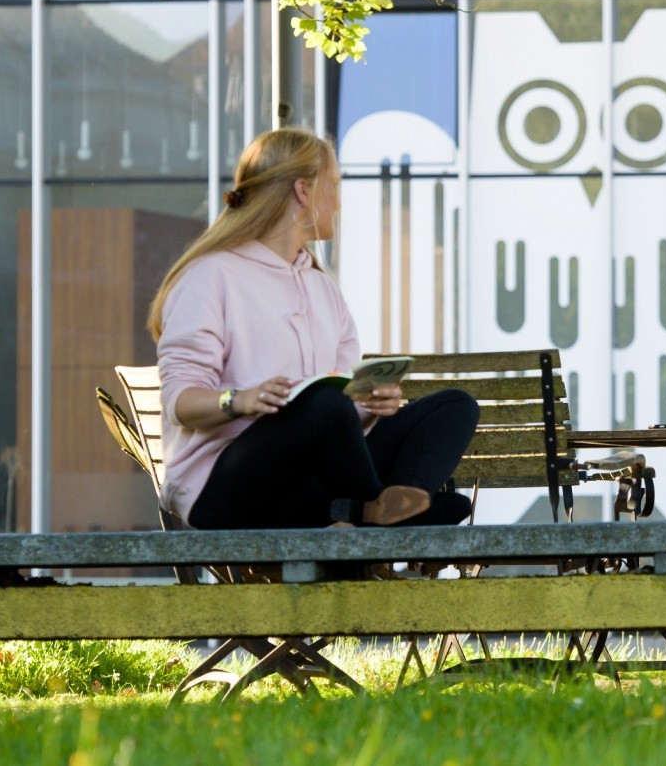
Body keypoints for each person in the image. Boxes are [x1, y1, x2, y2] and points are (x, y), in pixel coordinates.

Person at [148, 128, 477, 531]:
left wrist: (369, 403)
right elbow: (180, 402)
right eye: (334, 186)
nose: (338, 202)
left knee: (454, 405)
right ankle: (371, 509)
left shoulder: (324, 289)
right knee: (323, 403)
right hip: (226, 487)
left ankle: (387, 507)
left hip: (313, 482)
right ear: (303, 191)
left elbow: (342, 413)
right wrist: (240, 399)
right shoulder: (209, 277)